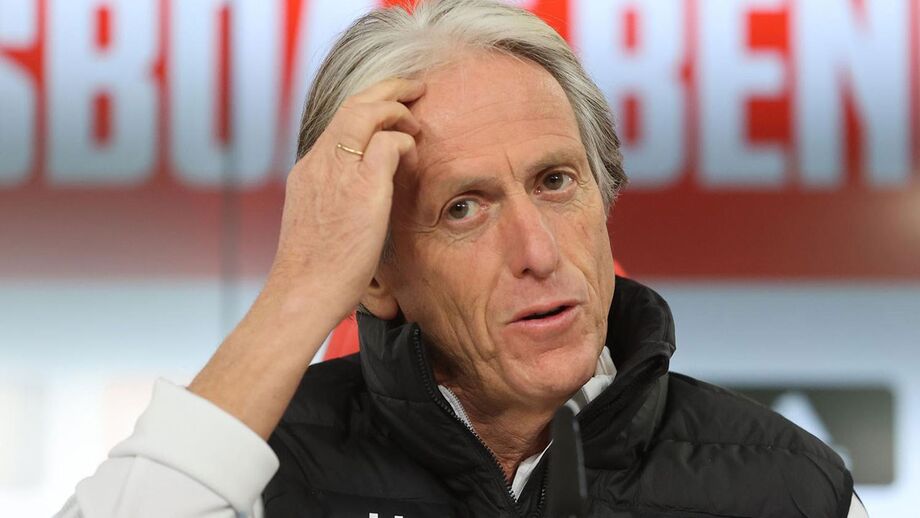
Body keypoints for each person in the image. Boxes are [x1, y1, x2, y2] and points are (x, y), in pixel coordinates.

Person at [57, 1, 868, 517]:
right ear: (375, 274)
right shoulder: (263, 473)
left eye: (556, 182)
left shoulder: (787, 487)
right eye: (463, 208)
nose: (538, 252)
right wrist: (300, 290)